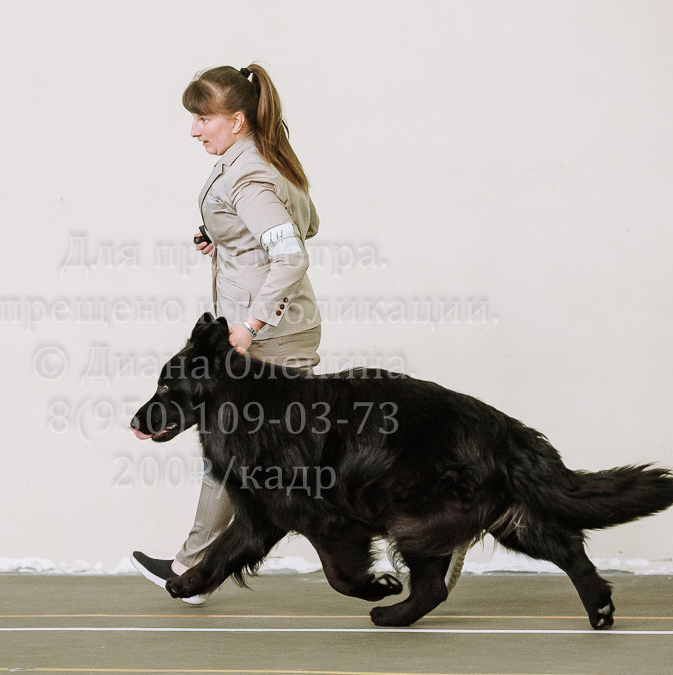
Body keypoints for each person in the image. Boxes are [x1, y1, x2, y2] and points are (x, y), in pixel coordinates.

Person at [131, 64, 465, 602]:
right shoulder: (269, 160)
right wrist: (224, 239)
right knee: (245, 455)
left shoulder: (249, 177)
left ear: (237, 120)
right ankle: (194, 569)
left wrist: (250, 324)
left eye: (204, 119)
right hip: (281, 329)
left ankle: (193, 568)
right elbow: (305, 223)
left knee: (241, 456)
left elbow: (290, 253)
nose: (195, 130)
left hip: (267, 338)